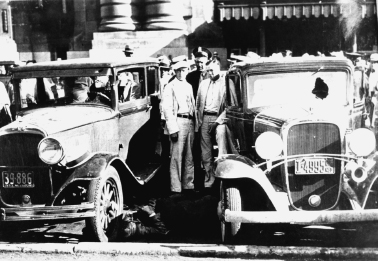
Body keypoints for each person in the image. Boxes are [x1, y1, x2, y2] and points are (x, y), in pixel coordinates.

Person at [195, 57, 234, 189]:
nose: (210, 73)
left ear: (218, 67)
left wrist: (217, 122)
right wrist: (199, 122)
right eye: (208, 71)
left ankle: (222, 180)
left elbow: (230, 107)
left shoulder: (227, 83)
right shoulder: (203, 84)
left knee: (221, 150)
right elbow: (198, 104)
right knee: (206, 153)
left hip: (220, 120)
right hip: (205, 119)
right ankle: (209, 181)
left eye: (212, 70)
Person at [162, 59, 196, 194]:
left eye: (184, 70)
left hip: (190, 122)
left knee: (189, 155)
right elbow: (167, 109)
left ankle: (188, 184)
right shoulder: (170, 86)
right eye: (179, 71)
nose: (182, 73)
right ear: (175, 72)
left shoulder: (188, 86)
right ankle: (176, 187)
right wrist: (173, 129)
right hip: (178, 122)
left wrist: (195, 124)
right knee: (176, 156)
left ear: (187, 71)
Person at [186, 47, 212, 192]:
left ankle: (210, 180)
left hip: (207, 116)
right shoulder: (190, 77)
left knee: (207, 150)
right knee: (195, 149)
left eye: (202, 62)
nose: (199, 65)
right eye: (197, 62)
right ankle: (197, 183)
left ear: (207, 61)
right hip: (194, 118)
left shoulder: (211, 76)